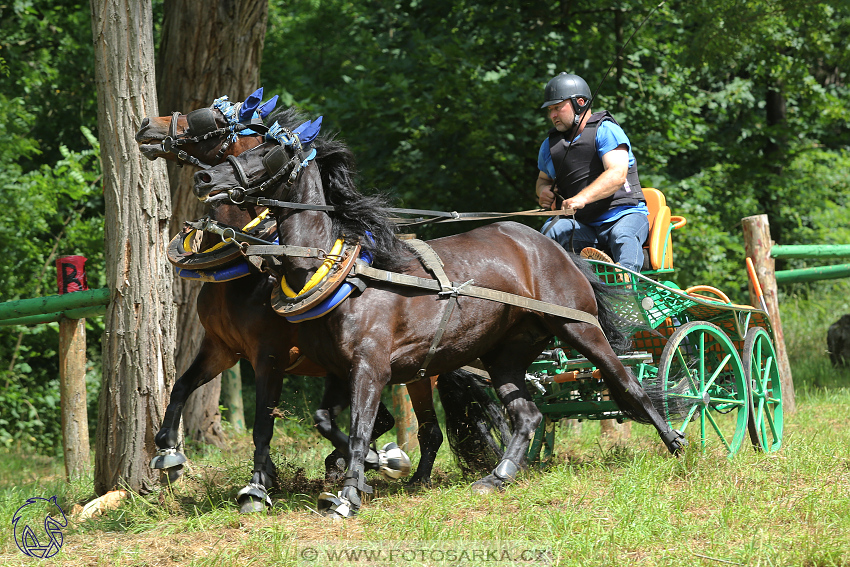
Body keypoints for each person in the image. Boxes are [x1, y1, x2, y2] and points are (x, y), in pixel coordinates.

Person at [536, 72, 649, 273]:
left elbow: (617, 174)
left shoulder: (605, 130)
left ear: (580, 103)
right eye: (550, 110)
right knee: (550, 231)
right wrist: (543, 191)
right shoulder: (549, 146)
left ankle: (625, 287)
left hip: (624, 215)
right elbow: (543, 180)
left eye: (558, 107)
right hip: (584, 225)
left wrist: (582, 198)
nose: (552, 115)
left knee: (623, 236)